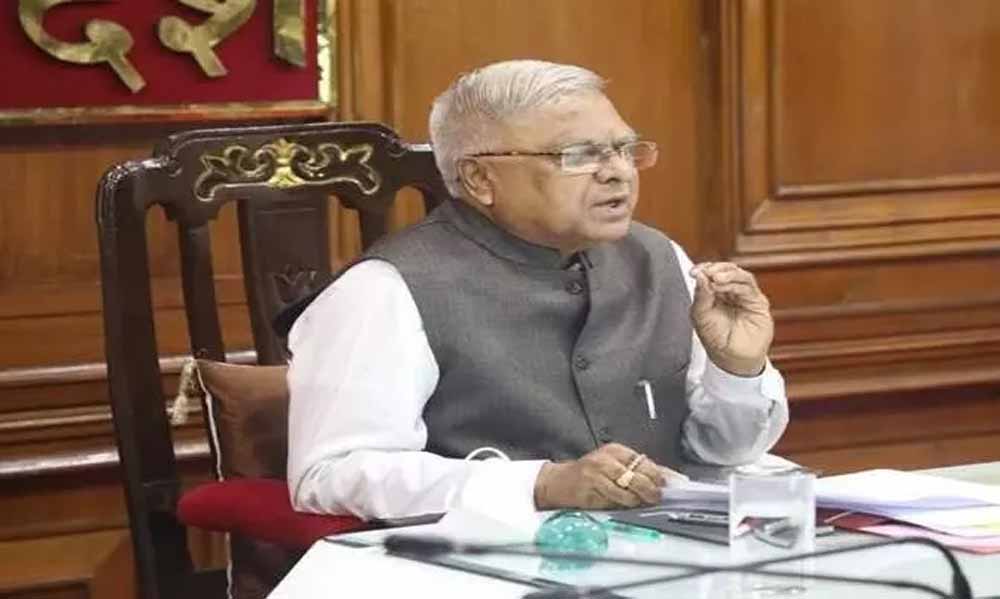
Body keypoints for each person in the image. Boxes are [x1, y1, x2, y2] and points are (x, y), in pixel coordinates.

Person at [285, 59, 788, 520]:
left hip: (668, 551)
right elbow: (328, 475)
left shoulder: (658, 258)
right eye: (579, 155)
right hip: (486, 566)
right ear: (480, 178)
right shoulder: (385, 290)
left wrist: (737, 370)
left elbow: (724, 453)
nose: (618, 172)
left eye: (625, 150)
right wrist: (541, 485)